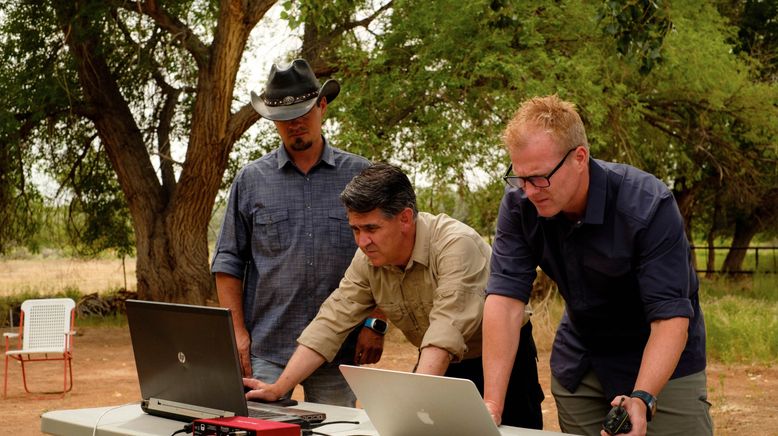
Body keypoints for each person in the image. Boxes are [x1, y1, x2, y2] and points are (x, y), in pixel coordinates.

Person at [243, 163, 545, 429]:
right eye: (355, 230)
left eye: (372, 228)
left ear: (405, 218)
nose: (363, 241)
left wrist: (411, 404)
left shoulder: (455, 245)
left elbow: (444, 333)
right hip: (439, 362)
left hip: (501, 360)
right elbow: (330, 322)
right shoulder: (367, 260)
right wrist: (280, 387)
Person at [482, 95, 713, 435]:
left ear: (579, 158)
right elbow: (504, 301)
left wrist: (642, 397)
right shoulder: (520, 204)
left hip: (663, 359)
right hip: (582, 360)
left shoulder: (649, 204)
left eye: (539, 178)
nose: (529, 191)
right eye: (520, 178)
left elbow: (670, 317)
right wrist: (492, 405)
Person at [211, 59, 385, 407]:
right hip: (269, 348)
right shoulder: (251, 180)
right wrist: (237, 333)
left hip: (341, 348)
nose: (294, 125)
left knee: (335, 434)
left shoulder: (362, 175)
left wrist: (375, 323)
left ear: (322, 106)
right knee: (260, 431)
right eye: (284, 119)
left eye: (303, 113)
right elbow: (228, 262)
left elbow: (384, 256)